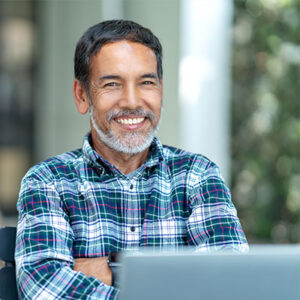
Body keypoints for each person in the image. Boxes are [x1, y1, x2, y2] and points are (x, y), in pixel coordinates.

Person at [15, 19, 248, 299]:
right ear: (82, 95)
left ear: (160, 90)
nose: (132, 101)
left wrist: (113, 269)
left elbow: (229, 283)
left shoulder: (198, 175)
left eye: (146, 82)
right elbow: (43, 287)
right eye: (112, 84)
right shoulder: (48, 182)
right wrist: (177, 279)